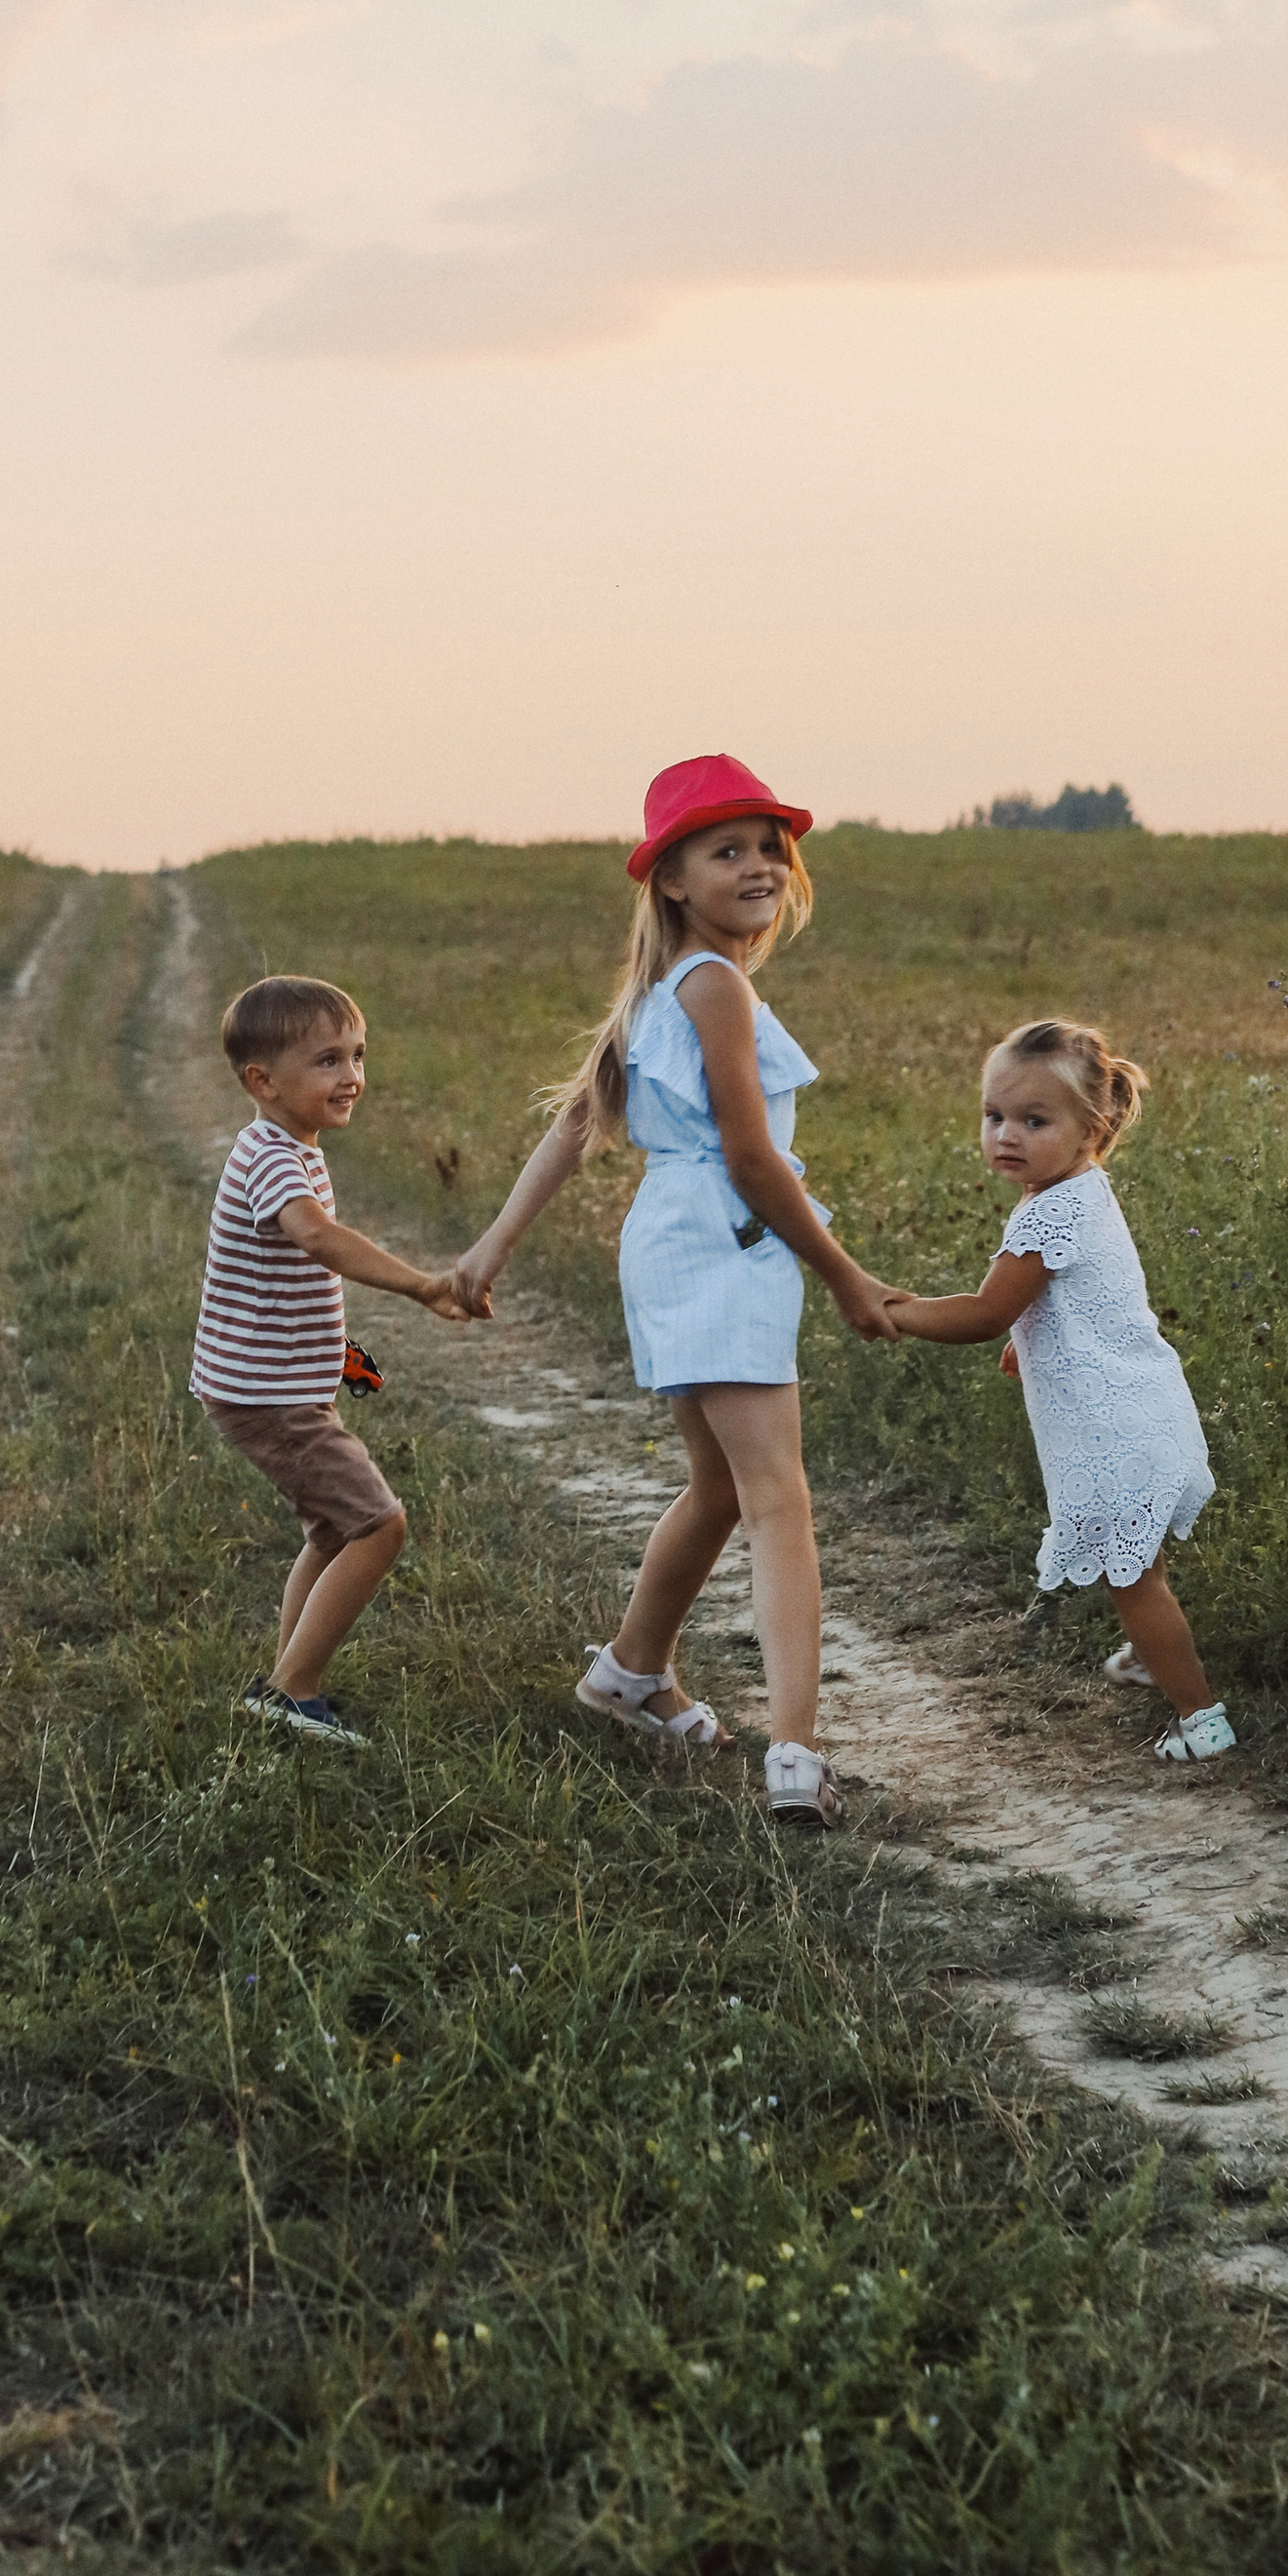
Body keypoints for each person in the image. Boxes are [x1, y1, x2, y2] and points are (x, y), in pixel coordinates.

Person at [452, 754, 897, 1825]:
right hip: (723, 1234)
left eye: (766, 848)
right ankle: (794, 1753)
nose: (755, 866)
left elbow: (574, 1123)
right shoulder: (715, 988)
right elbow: (751, 1158)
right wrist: (842, 1274)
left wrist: (490, 1250)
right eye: (724, 850)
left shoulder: (663, 988)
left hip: (669, 1240)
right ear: (671, 879)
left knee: (718, 1488)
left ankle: (630, 1674)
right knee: (778, 1499)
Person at [881, 1018, 1234, 1762]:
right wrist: (1030, 1342)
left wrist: (895, 1310)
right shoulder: (1081, 1192)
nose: (1006, 1135)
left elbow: (983, 1313)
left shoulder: (1050, 1213)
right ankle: (1154, 1654)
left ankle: (1202, 1717)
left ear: (1092, 1128)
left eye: (1033, 1121)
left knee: (1130, 1574)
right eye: (994, 1116)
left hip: (1115, 1427)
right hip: (1142, 1405)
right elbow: (1074, 1300)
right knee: (1135, 1566)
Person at [191, 971, 469, 1745]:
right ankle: (293, 1690)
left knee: (332, 1531)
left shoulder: (288, 1147)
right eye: (326, 1061)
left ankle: (286, 1680)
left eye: (356, 1055)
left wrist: (342, 1361)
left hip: (271, 1386)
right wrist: (420, 1286)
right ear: (263, 1081)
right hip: (264, 1394)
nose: (351, 1076)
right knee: (379, 1526)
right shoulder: (276, 1158)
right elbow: (315, 1237)